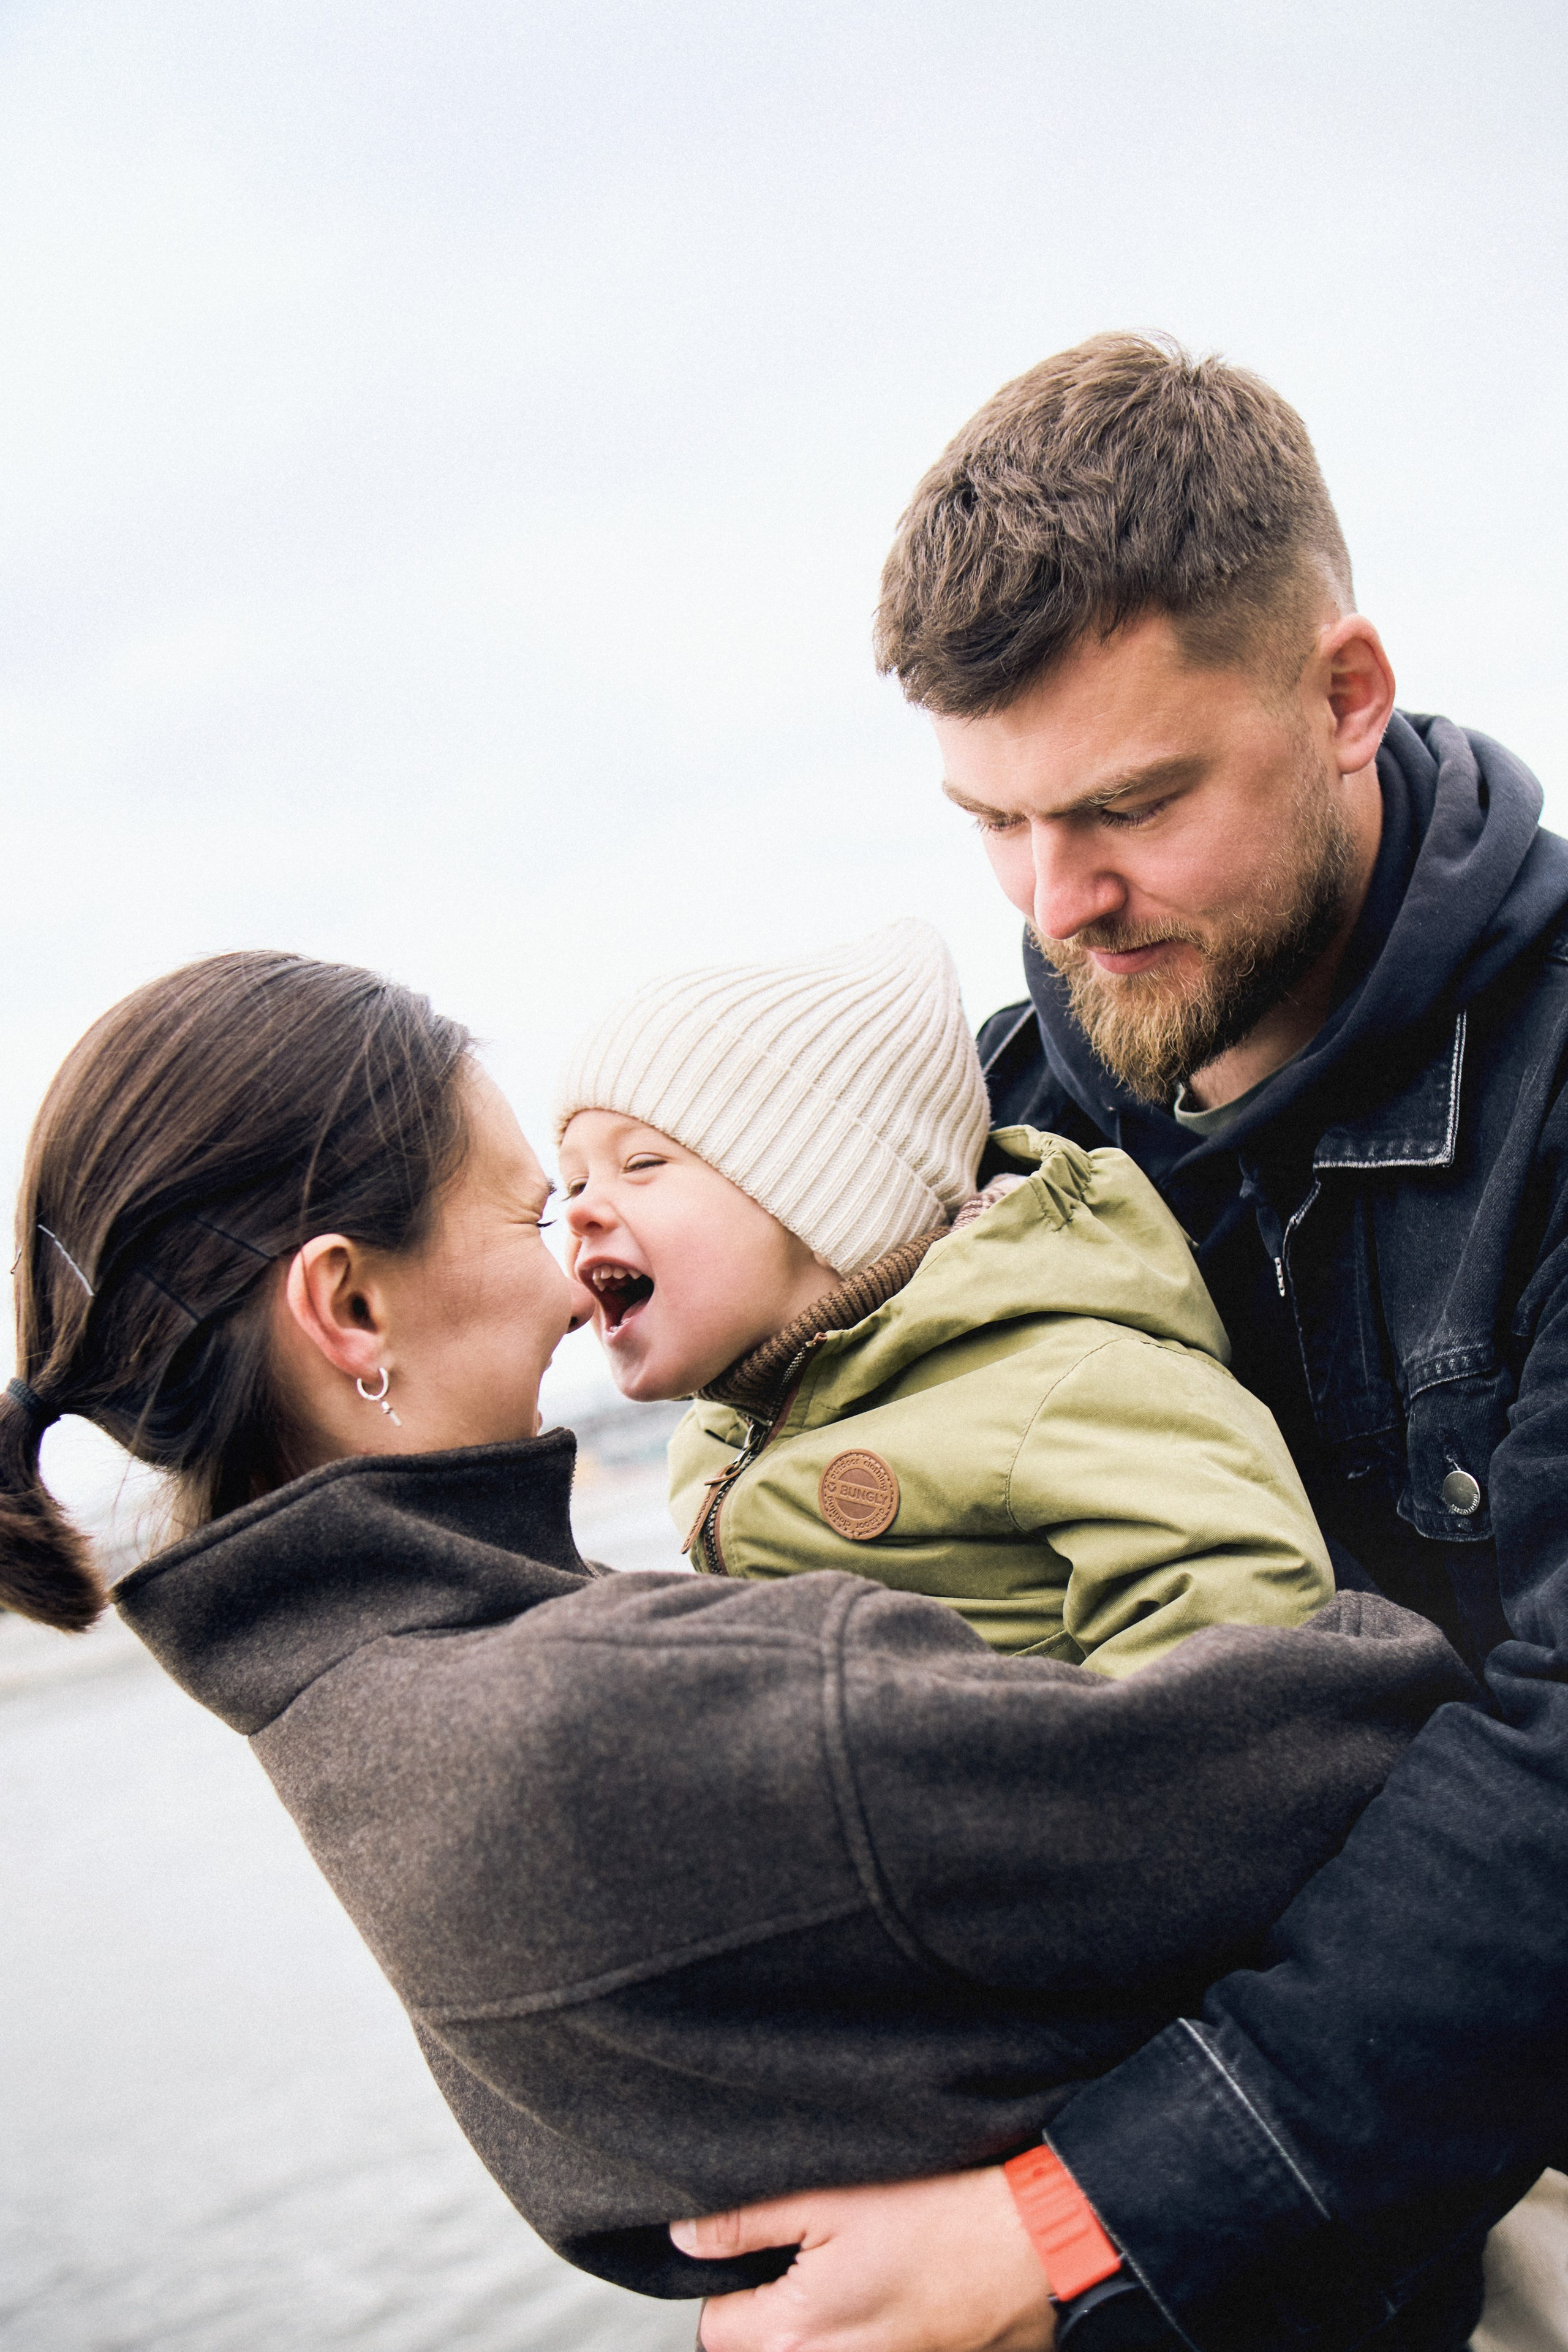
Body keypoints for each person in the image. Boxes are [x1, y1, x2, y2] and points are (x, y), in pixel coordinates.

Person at [1, 949, 1469, 2321]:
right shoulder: (625, 1712)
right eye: (527, 1215)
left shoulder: (338, 1713)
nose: (569, 1285)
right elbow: (1378, 1744)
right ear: (348, 1303)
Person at [679, 337, 1568, 2352]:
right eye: (991, 820)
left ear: (1345, 697)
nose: (1056, 897)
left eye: (1128, 807)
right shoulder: (976, 1148)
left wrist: (1079, 2222)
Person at [554, 914, 1332, 1671]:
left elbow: (1241, 1611)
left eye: (642, 1165)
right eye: (574, 1183)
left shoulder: (1060, 1381)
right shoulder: (719, 1437)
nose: (583, 1210)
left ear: (824, 1197)